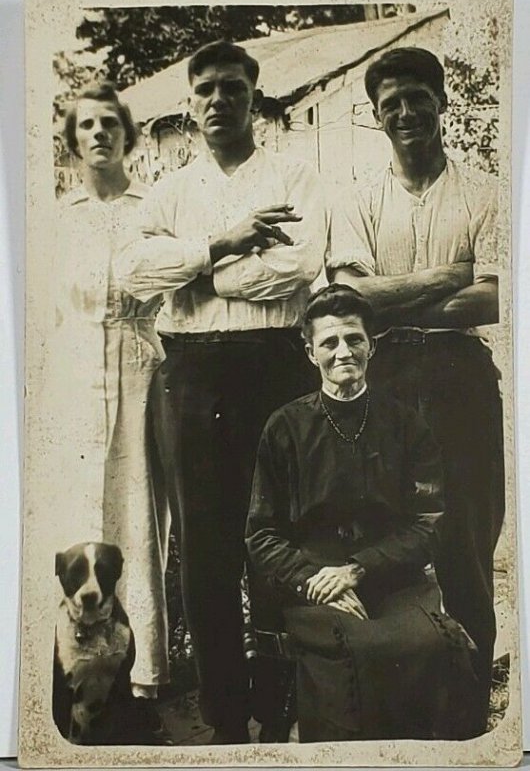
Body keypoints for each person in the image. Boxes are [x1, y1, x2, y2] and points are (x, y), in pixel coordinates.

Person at [115, 40, 327, 743]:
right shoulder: (169, 192)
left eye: (230, 88)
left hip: (276, 363)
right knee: (205, 551)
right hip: (194, 371)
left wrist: (202, 271)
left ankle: (280, 702)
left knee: (280, 535)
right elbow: (137, 273)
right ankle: (226, 715)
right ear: (188, 101)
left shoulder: (295, 174)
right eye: (203, 89)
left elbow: (298, 268)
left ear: (253, 94)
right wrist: (224, 242)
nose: (216, 101)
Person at [327, 47, 504, 736]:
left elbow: (492, 298)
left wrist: (393, 299)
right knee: (381, 538)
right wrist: (445, 276)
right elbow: (349, 300)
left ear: (442, 103)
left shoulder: (488, 191)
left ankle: (466, 717)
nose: (405, 112)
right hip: (384, 377)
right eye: (390, 102)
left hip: (460, 377)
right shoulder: (358, 200)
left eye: (417, 97)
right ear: (376, 116)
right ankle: (394, 709)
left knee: (464, 545)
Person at [246, 284, 478, 742]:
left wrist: (357, 570)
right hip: (313, 582)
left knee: (428, 644)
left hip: (390, 576)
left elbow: (429, 522)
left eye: (354, 339)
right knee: (351, 653)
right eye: (329, 342)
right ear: (311, 353)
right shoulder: (284, 427)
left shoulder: (405, 422)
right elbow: (262, 534)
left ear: (372, 344)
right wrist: (314, 579)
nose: (343, 352)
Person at [49, 83, 171, 740]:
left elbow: (175, 292)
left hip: (137, 371)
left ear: (128, 134)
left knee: (137, 515)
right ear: (72, 142)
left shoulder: (153, 211)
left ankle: (140, 672)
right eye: (86, 126)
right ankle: (67, 671)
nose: (99, 134)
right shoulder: (57, 218)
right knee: (72, 514)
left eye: (110, 124)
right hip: (71, 378)